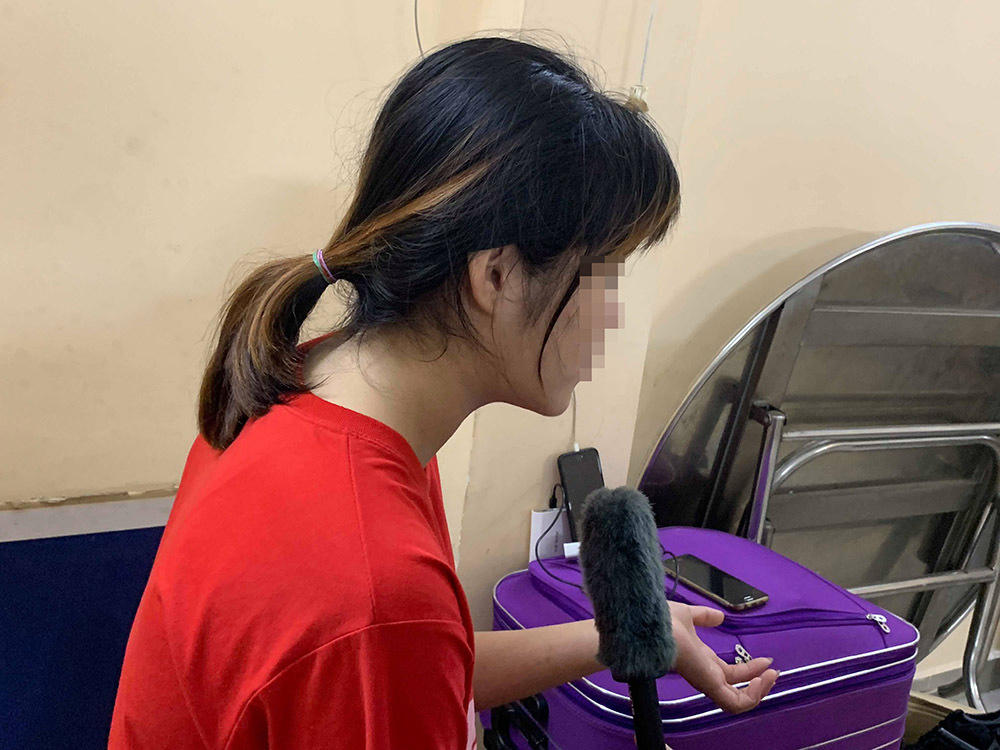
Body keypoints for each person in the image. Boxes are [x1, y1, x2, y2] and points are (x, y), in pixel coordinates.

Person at [109, 35, 778, 750]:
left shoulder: (314, 395)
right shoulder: (371, 579)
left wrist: (624, 634)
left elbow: (415, 664)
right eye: (603, 274)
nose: (611, 315)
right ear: (497, 277)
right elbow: (384, 637)